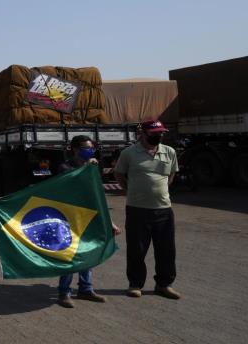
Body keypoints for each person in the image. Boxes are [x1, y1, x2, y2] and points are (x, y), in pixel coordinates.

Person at [114, 119, 180, 300]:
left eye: (161, 133)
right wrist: (129, 191)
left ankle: (164, 284)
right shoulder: (129, 153)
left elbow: (171, 175)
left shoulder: (170, 152)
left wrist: (159, 191)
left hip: (164, 210)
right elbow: (119, 173)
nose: (158, 136)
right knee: (137, 249)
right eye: (154, 133)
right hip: (137, 210)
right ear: (143, 134)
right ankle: (135, 284)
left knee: (166, 250)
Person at [55, 135, 121, 308]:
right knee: (70, 255)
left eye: (92, 148)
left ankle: (86, 288)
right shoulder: (65, 167)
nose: (90, 151)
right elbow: (72, 182)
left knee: (89, 252)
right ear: (75, 149)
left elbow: (97, 196)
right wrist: (87, 167)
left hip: (89, 216)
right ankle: (64, 292)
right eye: (86, 147)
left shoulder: (93, 167)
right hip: (70, 218)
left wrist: (109, 221)